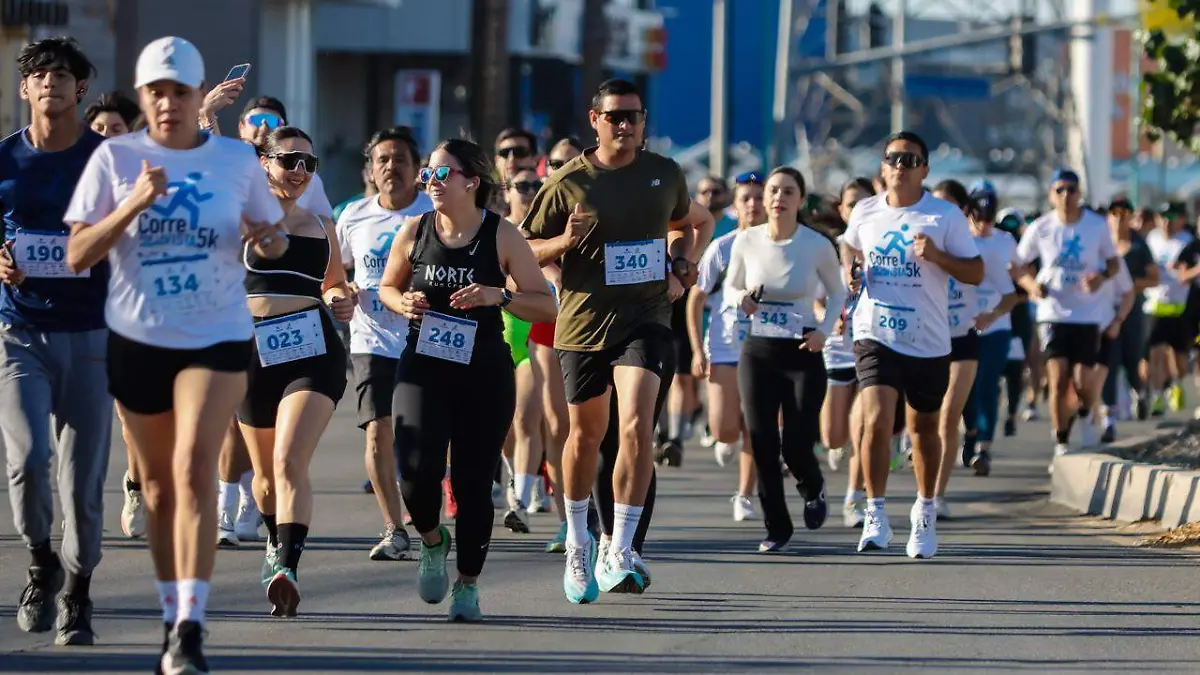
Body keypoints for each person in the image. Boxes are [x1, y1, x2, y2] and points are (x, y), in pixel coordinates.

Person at [65, 36, 287, 671]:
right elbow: (79, 255)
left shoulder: (235, 161)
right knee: (159, 490)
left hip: (216, 334)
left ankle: (192, 620)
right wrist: (133, 202)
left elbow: (269, 244)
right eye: (156, 92)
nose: (168, 103)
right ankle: (172, 616)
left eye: (180, 92)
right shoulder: (115, 158)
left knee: (194, 467)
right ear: (143, 96)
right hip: (138, 337)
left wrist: (266, 237)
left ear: (197, 98)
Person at [522, 78, 711, 601]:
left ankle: (620, 546)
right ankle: (580, 541)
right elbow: (524, 249)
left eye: (633, 116)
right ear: (595, 120)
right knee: (584, 437)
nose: (625, 125)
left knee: (636, 426)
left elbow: (686, 223)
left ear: (644, 121)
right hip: (582, 324)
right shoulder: (567, 182)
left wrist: (681, 266)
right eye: (614, 117)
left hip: (646, 317)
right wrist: (566, 240)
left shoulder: (664, 173)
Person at [379, 139, 556, 622]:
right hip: (423, 366)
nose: (430, 183)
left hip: (483, 372)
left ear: (471, 182)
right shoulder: (415, 230)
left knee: (474, 483)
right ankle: (433, 540)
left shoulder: (502, 236)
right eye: (427, 176)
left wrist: (497, 296)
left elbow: (545, 304)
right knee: (415, 473)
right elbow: (389, 286)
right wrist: (403, 304)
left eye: (441, 174)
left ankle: (468, 583)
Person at [0, 35, 109, 647]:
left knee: (81, 481)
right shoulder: (4, 160)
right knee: (27, 462)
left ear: (80, 89)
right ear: (25, 88)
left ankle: (79, 591)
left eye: (63, 75)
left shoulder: (105, 162)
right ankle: (40, 560)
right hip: (19, 330)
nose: (50, 83)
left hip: (90, 333)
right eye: (40, 75)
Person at [841, 131, 983, 559]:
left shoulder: (944, 216)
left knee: (923, 430)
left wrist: (939, 257)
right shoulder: (865, 211)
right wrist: (851, 269)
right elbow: (848, 245)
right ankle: (875, 512)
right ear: (882, 168)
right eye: (893, 159)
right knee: (877, 418)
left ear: (924, 169)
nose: (900, 166)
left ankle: (923, 511)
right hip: (875, 332)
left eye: (910, 160)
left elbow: (975, 272)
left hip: (928, 339)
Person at [239, 126, 353, 617]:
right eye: (290, 161)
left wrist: (341, 300)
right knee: (264, 477)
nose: (301, 171)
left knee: (288, 460)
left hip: (311, 352)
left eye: (310, 163)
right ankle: (274, 540)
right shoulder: (239, 219)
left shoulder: (322, 224)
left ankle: (287, 566)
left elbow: (333, 284)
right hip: (250, 355)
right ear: (264, 163)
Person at [725, 167, 845, 552]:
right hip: (759, 350)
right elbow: (729, 285)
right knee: (761, 440)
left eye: (788, 191)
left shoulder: (816, 244)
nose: (778, 198)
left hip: (802, 350)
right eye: (773, 191)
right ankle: (776, 526)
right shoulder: (747, 240)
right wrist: (740, 298)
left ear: (799, 199)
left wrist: (824, 332)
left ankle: (813, 487)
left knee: (795, 443)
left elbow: (838, 293)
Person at [338, 126, 432, 559]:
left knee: (424, 443)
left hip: (426, 343)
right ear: (371, 170)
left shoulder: (435, 213)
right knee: (378, 433)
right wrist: (342, 294)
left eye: (400, 160)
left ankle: (428, 520)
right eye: (382, 160)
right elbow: (335, 275)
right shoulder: (353, 216)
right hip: (370, 340)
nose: (391, 167)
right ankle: (394, 529)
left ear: (417, 169)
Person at [1014, 169, 1119, 466]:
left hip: (1087, 314)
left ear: (1079, 193)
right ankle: (1061, 440)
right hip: (1053, 313)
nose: (1066, 196)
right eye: (1059, 190)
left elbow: (1113, 263)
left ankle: (1086, 412)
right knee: (1058, 379)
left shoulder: (1096, 226)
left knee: (1083, 381)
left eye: (1071, 190)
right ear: (1051, 194)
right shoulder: (1041, 227)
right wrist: (1033, 286)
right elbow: (1018, 266)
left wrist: (1100, 277)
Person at [687, 171, 765, 521]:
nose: (754, 204)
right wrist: (696, 350)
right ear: (735, 206)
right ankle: (724, 437)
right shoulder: (723, 247)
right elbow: (695, 298)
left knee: (756, 423)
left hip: (766, 346)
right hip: (724, 343)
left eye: (759, 197)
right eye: (746, 198)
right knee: (724, 427)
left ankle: (745, 494)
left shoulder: (783, 246)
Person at [959, 181, 1021, 478]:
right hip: (960, 325)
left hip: (997, 327)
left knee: (986, 384)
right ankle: (970, 432)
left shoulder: (1004, 241)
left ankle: (983, 446)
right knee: (964, 387)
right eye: (977, 214)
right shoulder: (957, 240)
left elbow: (1018, 277)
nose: (983, 221)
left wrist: (993, 314)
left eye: (988, 214)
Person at [825, 178, 875, 528]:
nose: (856, 210)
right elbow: (814, 294)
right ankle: (834, 447)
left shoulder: (880, 244)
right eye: (850, 204)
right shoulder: (827, 248)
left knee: (863, 429)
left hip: (871, 346)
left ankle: (853, 498)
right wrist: (826, 318)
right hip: (835, 349)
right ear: (841, 210)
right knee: (834, 436)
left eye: (863, 203)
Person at [1101, 197, 1156, 433]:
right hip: (1104, 309)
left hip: (1132, 310)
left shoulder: (1139, 244)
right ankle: (1108, 417)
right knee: (1108, 360)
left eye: (1124, 212)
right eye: (1115, 212)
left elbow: (1155, 278)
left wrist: (1131, 285)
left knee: (1132, 359)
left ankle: (1140, 392)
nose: (1119, 217)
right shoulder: (1101, 242)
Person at [1141, 202, 1193, 417]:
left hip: (1180, 307)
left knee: (1179, 357)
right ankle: (1156, 396)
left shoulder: (1188, 242)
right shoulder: (1151, 239)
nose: (1167, 221)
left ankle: (1177, 383)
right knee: (1155, 353)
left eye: (1172, 217)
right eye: (1163, 216)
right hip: (1154, 305)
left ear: (1181, 219)